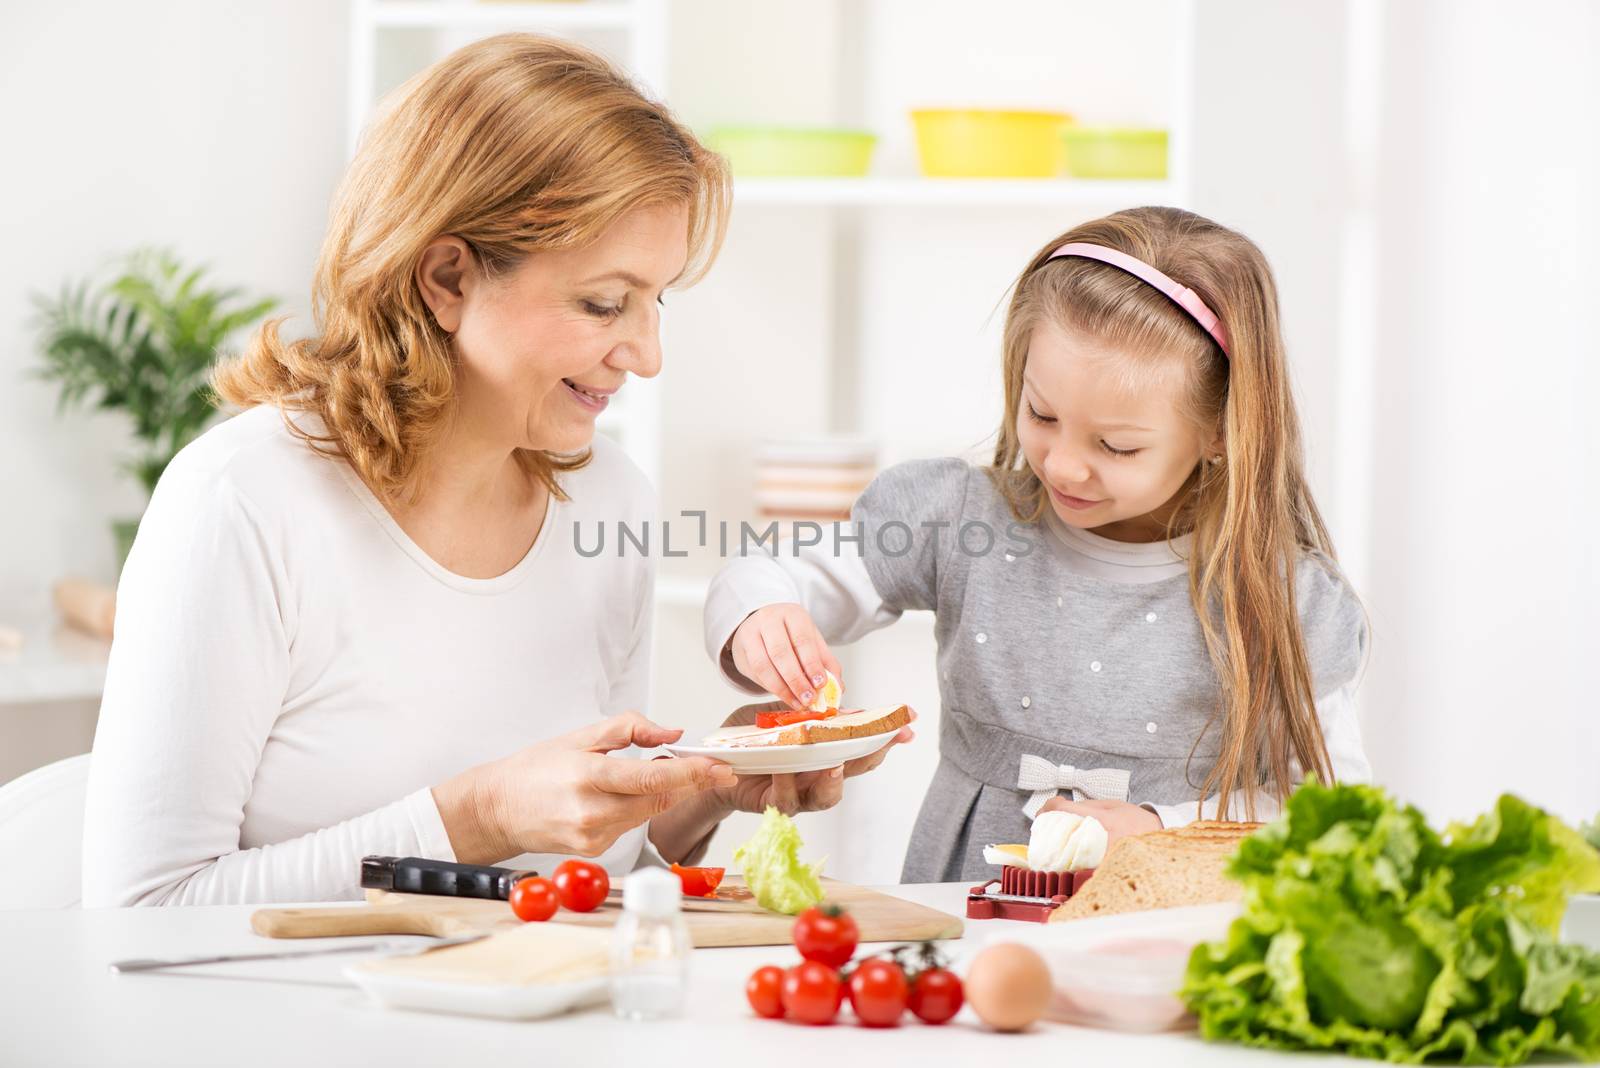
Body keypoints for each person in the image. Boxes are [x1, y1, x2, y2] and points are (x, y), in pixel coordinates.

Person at [81, 34, 905, 907]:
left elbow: (586, 874)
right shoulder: (242, 502)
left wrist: (699, 784)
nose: (648, 354)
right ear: (447, 278)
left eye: (655, 301)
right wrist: (480, 813)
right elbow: (142, 909)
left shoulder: (606, 497)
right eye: (603, 302)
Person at [704, 206, 1371, 883]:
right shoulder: (963, 520)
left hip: (1165, 938)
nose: (1061, 466)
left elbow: (1329, 817)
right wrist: (761, 614)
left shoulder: (1278, 596)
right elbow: (768, 573)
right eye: (1041, 414)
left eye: (1116, 445)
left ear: (1223, 431)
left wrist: (1158, 828)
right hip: (966, 924)